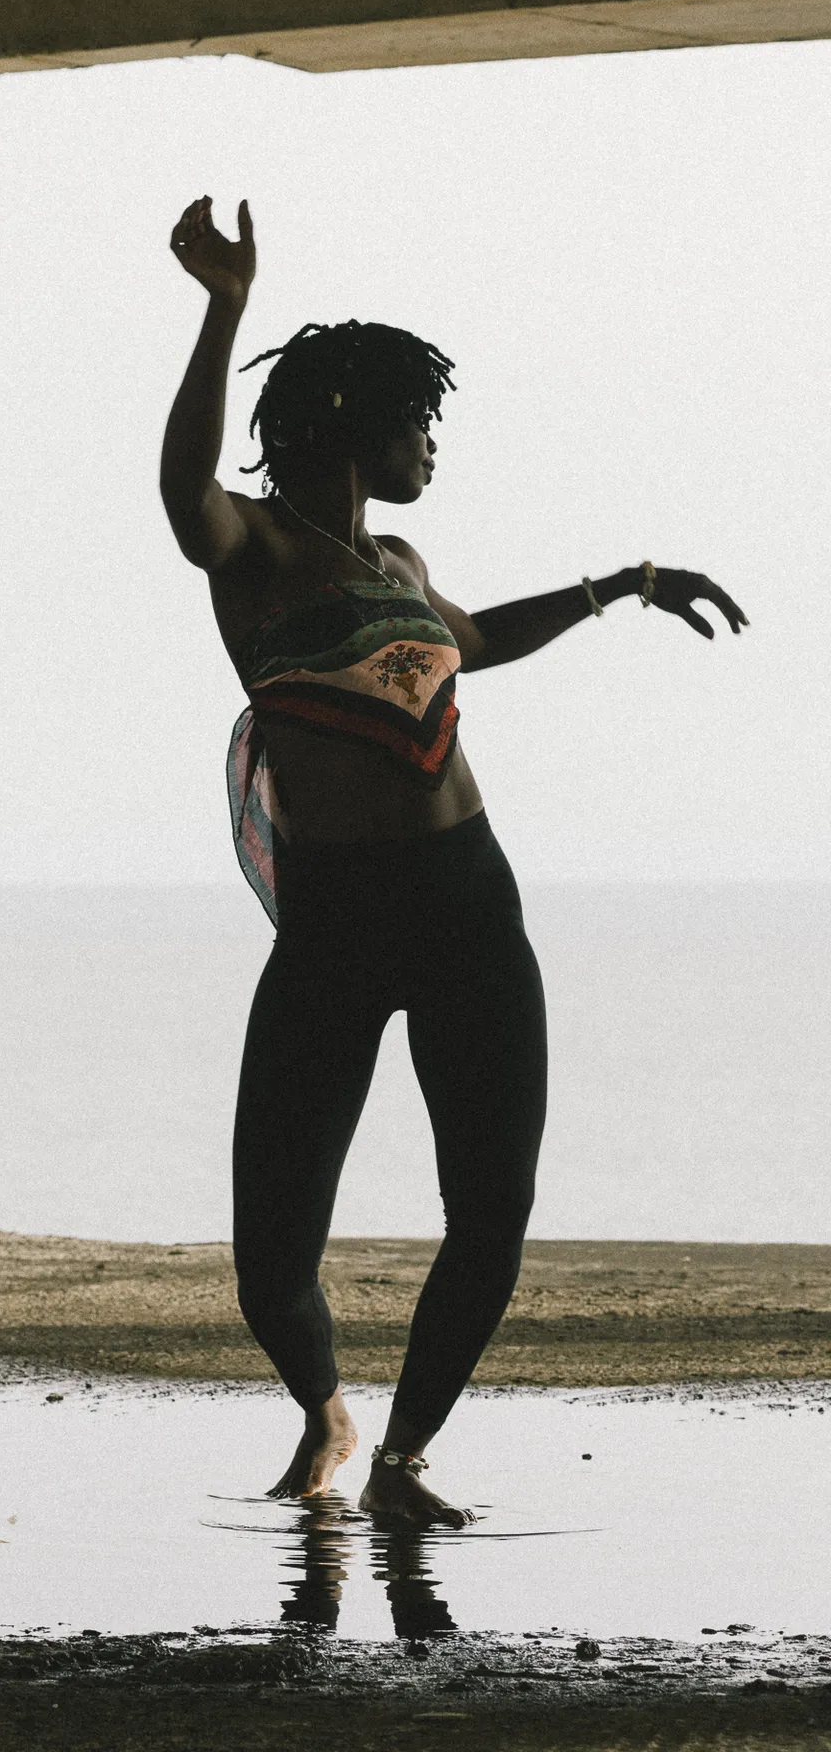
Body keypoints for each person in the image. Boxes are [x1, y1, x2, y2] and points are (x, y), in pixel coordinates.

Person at [161, 196, 747, 1528]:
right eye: (419, 419)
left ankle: (403, 1461)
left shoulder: (403, 563)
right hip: (334, 923)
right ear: (349, 420)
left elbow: (476, 638)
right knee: (270, 1265)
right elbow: (180, 489)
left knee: (492, 1208)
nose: (434, 441)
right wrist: (224, 309)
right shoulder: (249, 550)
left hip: (469, 903)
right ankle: (324, 1412)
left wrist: (625, 584)